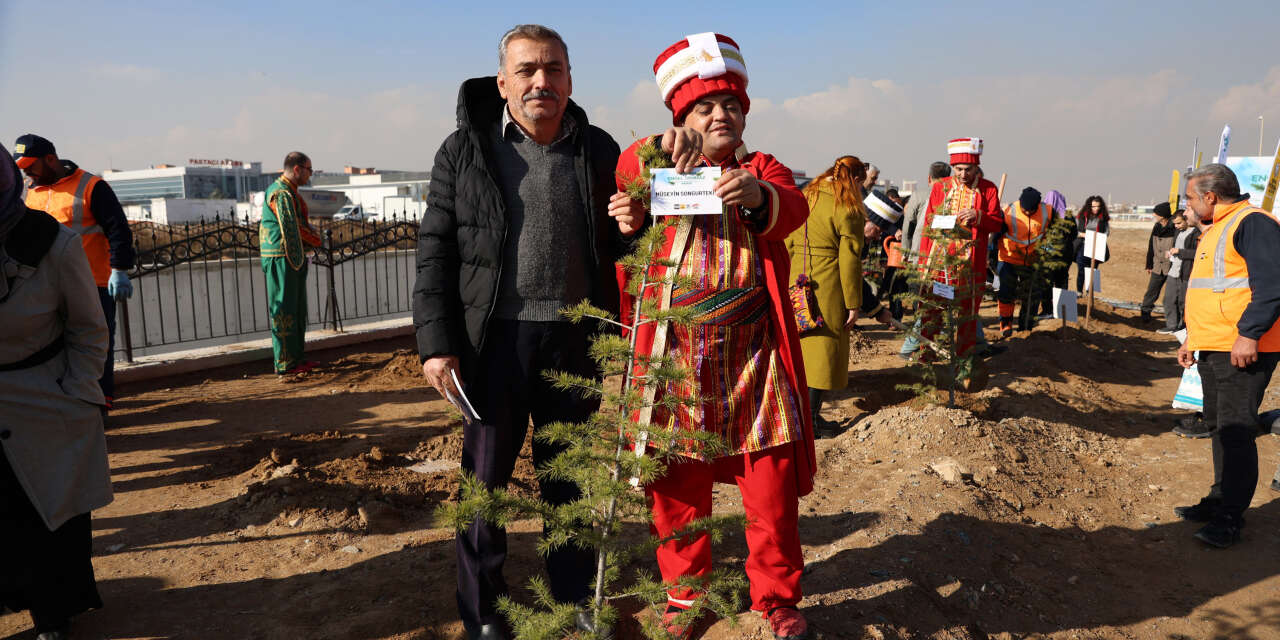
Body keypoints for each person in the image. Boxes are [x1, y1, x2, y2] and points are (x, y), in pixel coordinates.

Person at [412, 24, 634, 640]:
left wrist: (633, 223)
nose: (543, 81)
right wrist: (437, 346)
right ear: (503, 81)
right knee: (486, 489)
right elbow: (435, 253)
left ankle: (573, 600)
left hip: (574, 340)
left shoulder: (600, 148)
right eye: (529, 70)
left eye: (555, 69)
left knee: (571, 481)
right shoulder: (465, 150)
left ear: (570, 78)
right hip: (493, 345)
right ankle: (486, 615)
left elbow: (622, 245)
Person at [612, 32, 813, 640]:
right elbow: (625, 172)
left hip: (756, 362)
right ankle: (685, 596)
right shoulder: (658, 164)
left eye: (730, 107)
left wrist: (758, 196)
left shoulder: (762, 169)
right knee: (676, 492)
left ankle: (776, 598)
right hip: (677, 365)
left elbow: (793, 207)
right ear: (680, 119)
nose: (720, 115)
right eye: (704, 108)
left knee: (771, 494)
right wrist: (650, 165)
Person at [0, 152, 114, 640]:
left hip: (42, 400)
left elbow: (90, 329)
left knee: (45, 516)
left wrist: (76, 392)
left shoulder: (51, 241)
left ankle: (52, 613)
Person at [1174, 163, 1280, 549]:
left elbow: (1271, 286)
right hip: (1214, 346)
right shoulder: (1216, 228)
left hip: (1242, 349)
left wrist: (1249, 335)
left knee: (1237, 431)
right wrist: (1192, 340)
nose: (1185, 203)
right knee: (1219, 426)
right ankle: (1220, 499)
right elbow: (1211, 292)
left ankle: (1231, 517)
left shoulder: (1253, 224)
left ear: (1210, 197)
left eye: (1189, 197)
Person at [13, 134, 134, 412]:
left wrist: (120, 270)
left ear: (51, 159)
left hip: (94, 284)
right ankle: (67, 402)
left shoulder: (91, 186)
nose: (26, 172)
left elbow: (118, 230)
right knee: (55, 347)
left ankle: (99, 402)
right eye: (22, 167)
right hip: (47, 288)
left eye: (31, 165)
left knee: (95, 347)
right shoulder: (30, 193)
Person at [785, 156, 867, 429]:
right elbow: (850, 259)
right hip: (828, 284)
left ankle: (798, 415)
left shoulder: (806, 195)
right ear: (854, 179)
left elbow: (787, 240)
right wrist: (854, 302)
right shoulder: (848, 207)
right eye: (860, 184)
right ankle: (811, 421)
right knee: (823, 352)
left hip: (797, 278)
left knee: (800, 350)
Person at [915, 138, 1004, 366]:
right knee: (932, 311)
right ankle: (927, 357)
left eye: (968, 169)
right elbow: (929, 223)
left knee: (967, 315)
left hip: (971, 266)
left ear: (977, 168)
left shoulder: (989, 189)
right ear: (952, 167)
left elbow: (997, 223)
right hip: (940, 264)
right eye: (958, 169)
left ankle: (964, 360)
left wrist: (979, 216)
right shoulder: (940, 187)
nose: (963, 174)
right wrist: (924, 262)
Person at [260, 151, 322, 376]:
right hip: (282, 259)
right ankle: (286, 363)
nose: (310, 175)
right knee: (284, 310)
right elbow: (291, 226)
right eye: (309, 170)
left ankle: (296, 360)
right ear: (297, 169)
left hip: (290, 259)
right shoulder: (281, 193)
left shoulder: (288, 191)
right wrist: (317, 240)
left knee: (296, 310)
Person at [995, 187, 1052, 336]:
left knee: (1032, 295)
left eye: (1031, 210)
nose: (1027, 212)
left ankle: (1025, 327)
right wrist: (989, 252)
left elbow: (1059, 233)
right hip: (1009, 258)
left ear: (1037, 206)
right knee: (1007, 293)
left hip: (1034, 260)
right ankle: (1005, 323)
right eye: (1024, 209)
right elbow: (995, 235)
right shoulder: (1008, 211)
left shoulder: (1048, 212)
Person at [1037, 189, 1075, 317]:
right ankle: (1063, 311)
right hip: (1066, 253)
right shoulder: (1069, 216)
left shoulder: (1045, 214)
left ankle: (1047, 310)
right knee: (1062, 280)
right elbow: (1074, 234)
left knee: (1047, 282)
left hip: (1050, 254)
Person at [1161, 210, 1199, 335]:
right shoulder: (1178, 232)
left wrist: (1180, 252)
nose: (1176, 226)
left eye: (1179, 223)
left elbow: (1197, 253)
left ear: (1186, 220)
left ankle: (1184, 327)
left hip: (1186, 273)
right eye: (1175, 224)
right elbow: (1176, 247)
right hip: (1173, 271)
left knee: (1183, 302)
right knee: (1169, 299)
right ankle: (1171, 325)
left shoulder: (1196, 233)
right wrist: (1171, 252)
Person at [1140, 202, 1177, 323]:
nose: (1154, 215)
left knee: (1172, 294)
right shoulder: (1156, 226)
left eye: (1156, 213)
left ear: (1163, 215)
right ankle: (1145, 312)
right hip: (1157, 265)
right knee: (1152, 291)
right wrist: (1149, 264)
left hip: (1171, 266)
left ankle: (1174, 318)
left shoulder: (1175, 227)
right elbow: (1151, 246)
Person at [1074, 195, 1110, 292]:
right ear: (1089, 206)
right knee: (1081, 271)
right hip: (1083, 246)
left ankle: (1089, 293)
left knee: (1092, 271)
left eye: (1098, 206)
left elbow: (1107, 233)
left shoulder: (1103, 219)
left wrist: (1097, 236)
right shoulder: (1081, 217)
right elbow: (1074, 232)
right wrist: (1084, 235)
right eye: (1093, 206)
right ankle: (1079, 291)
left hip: (1097, 247)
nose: (1096, 208)